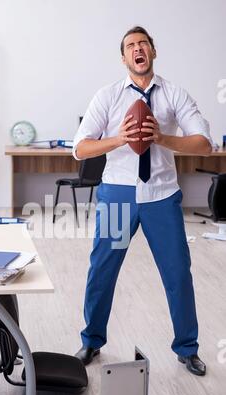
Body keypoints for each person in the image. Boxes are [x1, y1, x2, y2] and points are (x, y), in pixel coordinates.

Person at [73, 26, 212, 376]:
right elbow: (80, 148)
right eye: (131, 46)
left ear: (153, 51)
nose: (138, 49)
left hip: (161, 197)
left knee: (178, 274)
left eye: (143, 44)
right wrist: (118, 139)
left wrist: (162, 137)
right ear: (124, 58)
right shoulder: (107, 97)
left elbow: (204, 143)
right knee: (103, 271)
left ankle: (187, 348)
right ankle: (91, 341)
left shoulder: (174, 95)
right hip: (119, 196)